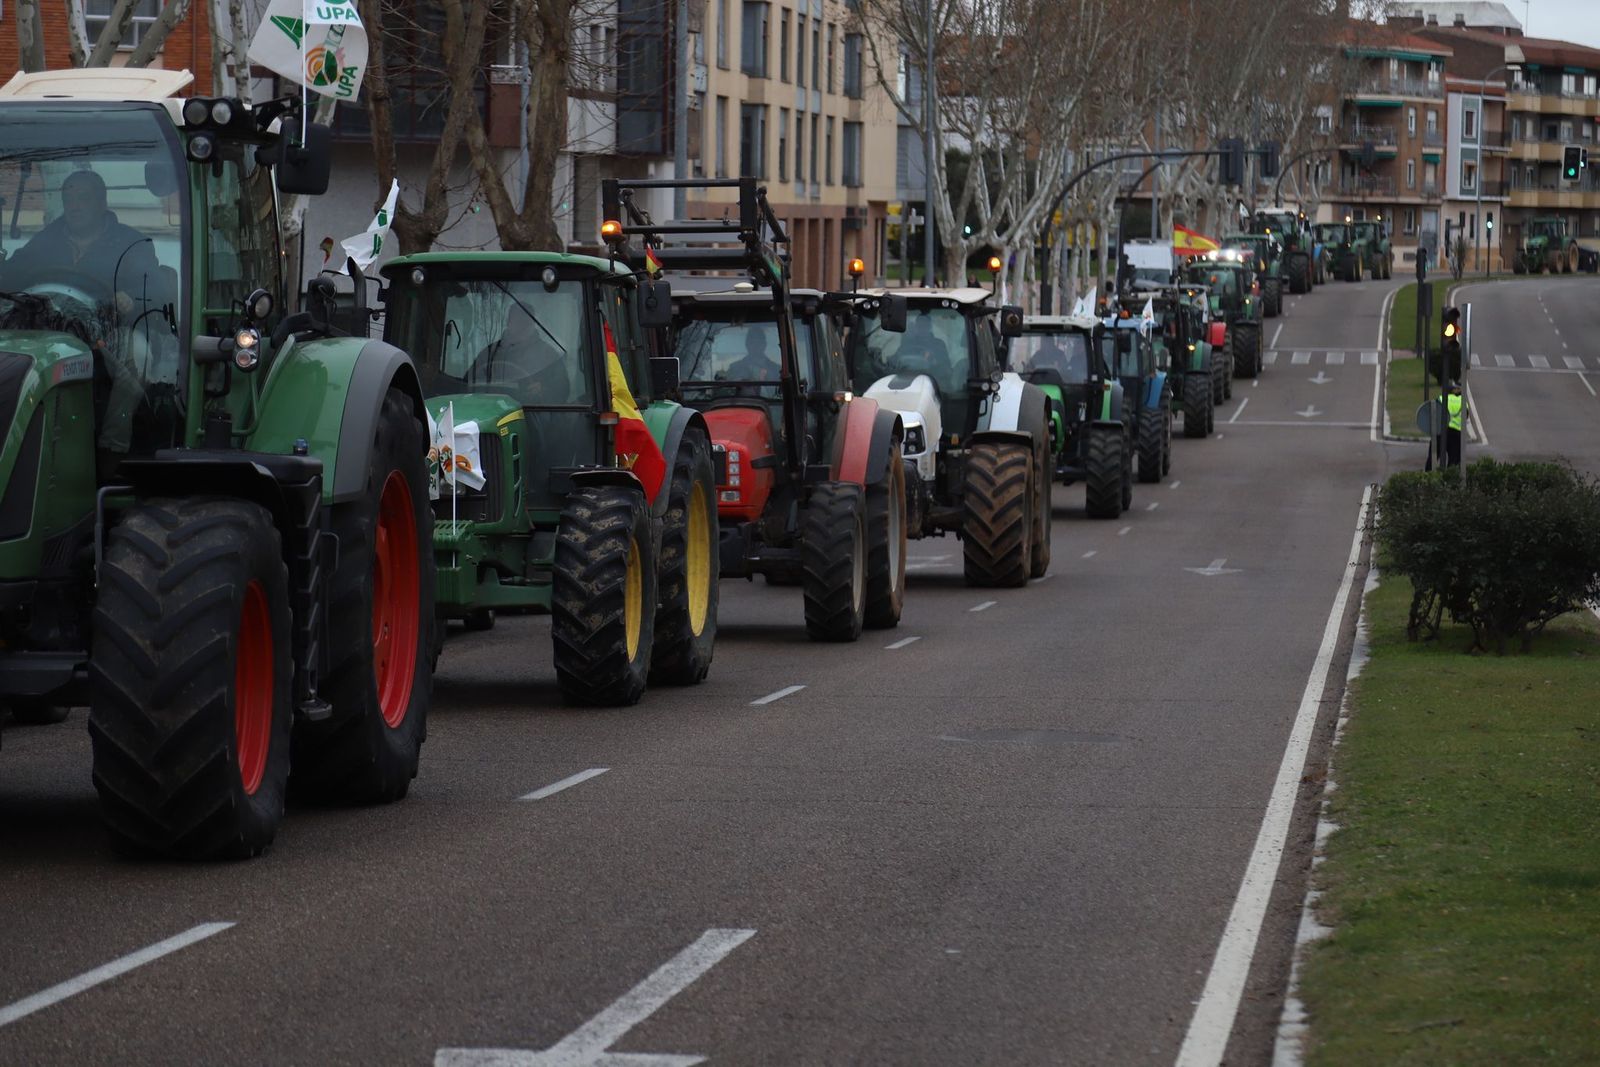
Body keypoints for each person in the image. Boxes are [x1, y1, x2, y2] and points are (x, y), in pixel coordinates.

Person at [0, 169, 162, 314]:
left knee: (139, 347)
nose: (74, 206)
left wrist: (130, 298)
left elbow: (157, 288)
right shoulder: (46, 239)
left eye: (83, 198)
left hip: (113, 333)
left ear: (102, 203)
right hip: (48, 326)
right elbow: (12, 273)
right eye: (68, 200)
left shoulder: (132, 243)